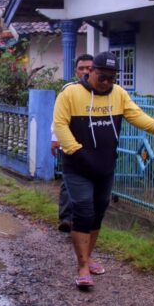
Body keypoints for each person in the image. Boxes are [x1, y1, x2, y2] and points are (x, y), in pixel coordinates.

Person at [53, 51, 154, 290]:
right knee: (82, 211)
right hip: (78, 165)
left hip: (105, 165)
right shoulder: (70, 93)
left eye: (112, 79)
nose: (107, 83)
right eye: (103, 77)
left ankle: (89, 257)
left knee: (98, 212)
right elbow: (59, 125)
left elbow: (137, 116)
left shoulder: (118, 94)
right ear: (90, 72)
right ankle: (81, 267)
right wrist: (78, 152)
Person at [52, 53, 94, 232]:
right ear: (76, 71)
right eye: (81, 68)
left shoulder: (103, 90)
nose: (85, 71)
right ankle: (66, 218)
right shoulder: (68, 90)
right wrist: (55, 139)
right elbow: (59, 118)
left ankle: (86, 220)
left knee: (93, 182)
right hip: (71, 142)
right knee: (69, 181)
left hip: (94, 144)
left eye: (89, 68)